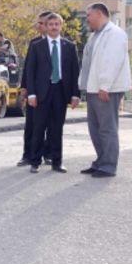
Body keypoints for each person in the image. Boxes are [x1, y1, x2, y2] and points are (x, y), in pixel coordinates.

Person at [78, 3, 132, 178]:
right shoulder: (95, 35)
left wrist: (104, 86)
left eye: (89, 15)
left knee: (107, 128)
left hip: (106, 89)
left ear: (100, 14)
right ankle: (101, 161)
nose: (87, 19)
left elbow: (112, 61)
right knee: (95, 128)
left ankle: (108, 166)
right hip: (94, 88)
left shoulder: (115, 34)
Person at [25, 12, 80, 174]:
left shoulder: (69, 47)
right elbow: (30, 71)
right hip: (41, 93)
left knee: (57, 129)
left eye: (57, 24)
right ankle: (34, 161)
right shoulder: (36, 46)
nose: (54, 27)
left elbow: (75, 72)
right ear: (46, 27)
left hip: (60, 92)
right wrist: (31, 94)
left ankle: (57, 162)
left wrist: (75, 94)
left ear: (61, 26)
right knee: (38, 128)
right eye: (51, 24)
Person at [17, 11, 53, 167]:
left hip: (53, 92)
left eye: (41, 23)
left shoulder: (62, 43)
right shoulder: (34, 42)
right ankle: (28, 155)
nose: (38, 25)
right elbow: (28, 67)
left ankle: (49, 154)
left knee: (51, 125)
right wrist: (24, 87)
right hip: (35, 91)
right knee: (31, 125)